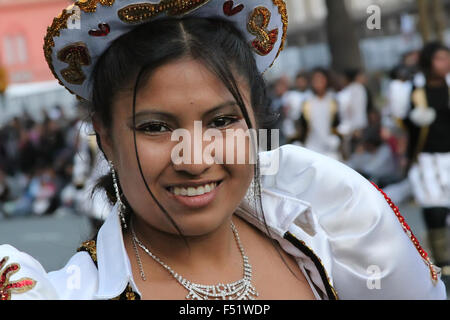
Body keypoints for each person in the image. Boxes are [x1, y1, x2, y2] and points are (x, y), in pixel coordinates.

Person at [0, 0, 446, 300]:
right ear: (107, 137)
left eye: (222, 121)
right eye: (155, 127)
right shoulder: (65, 292)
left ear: (255, 119)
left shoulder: (335, 224)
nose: (195, 161)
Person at [402, 42, 450, 287]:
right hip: (428, 159)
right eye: (440, 58)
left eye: (447, 58)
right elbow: (407, 125)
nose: (445, 63)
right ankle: (444, 263)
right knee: (435, 211)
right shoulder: (417, 89)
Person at [295, 68, 342, 160]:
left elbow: (339, 123)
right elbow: (302, 125)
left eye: (321, 79)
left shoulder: (333, 99)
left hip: (330, 147)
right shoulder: (306, 101)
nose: (318, 82)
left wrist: (336, 138)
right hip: (311, 146)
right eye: (315, 80)